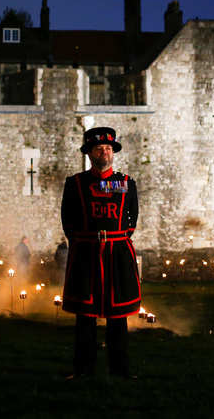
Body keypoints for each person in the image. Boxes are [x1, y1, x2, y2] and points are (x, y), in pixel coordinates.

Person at [61, 126, 141, 379]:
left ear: (112, 152)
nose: (104, 152)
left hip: (117, 256)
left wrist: (114, 239)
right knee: (85, 318)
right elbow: (68, 221)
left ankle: (120, 371)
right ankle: (83, 371)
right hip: (87, 256)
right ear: (90, 153)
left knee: (118, 318)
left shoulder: (125, 183)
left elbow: (132, 219)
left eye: (108, 148)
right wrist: (86, 242)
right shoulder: (75, 183)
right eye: (99, 149)